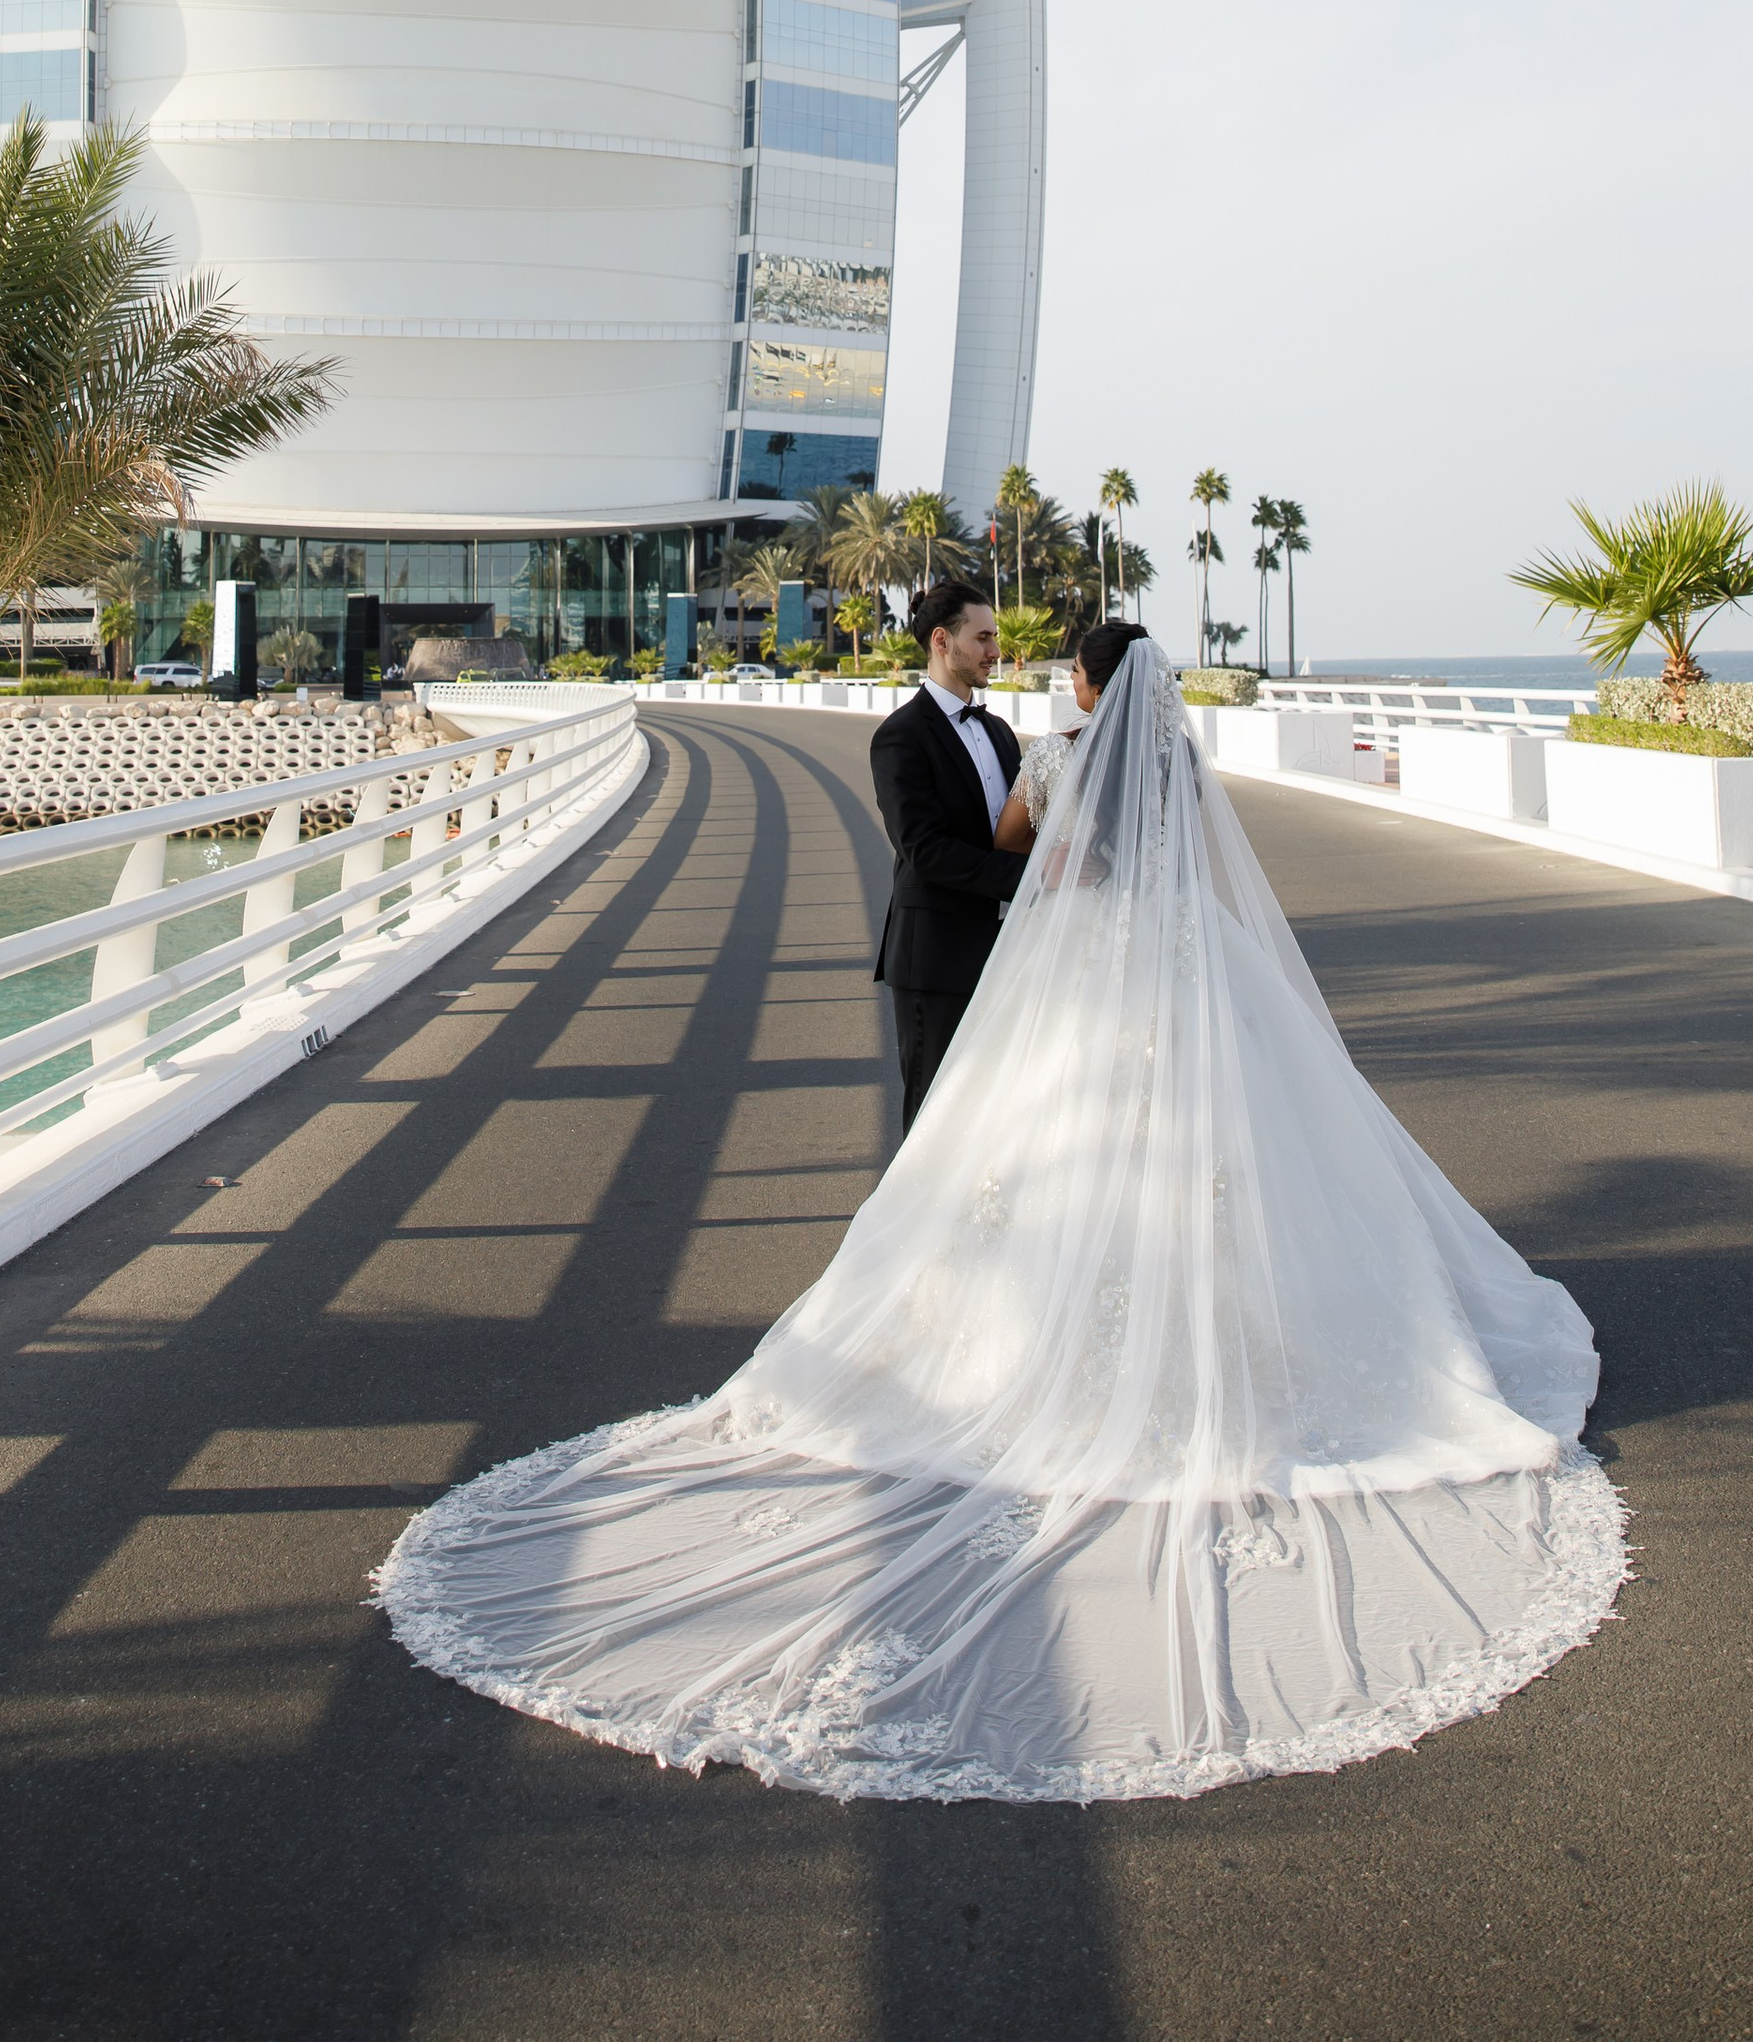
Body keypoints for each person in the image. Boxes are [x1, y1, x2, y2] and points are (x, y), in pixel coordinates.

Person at [376, 633, 1626, 1803]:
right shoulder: (1180, 766)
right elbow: (1187, 870)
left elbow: (1026, 851)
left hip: (1081, 971)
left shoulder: (1055, 758)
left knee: (1035, 1156)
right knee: (1226, 1160)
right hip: (1186, 968)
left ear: (1084, 689)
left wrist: (1044, 822)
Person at [866, 580, 1027, 1131]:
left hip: (1005, 953)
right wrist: (1031, 878)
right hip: (934, 958)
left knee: (992, 1113)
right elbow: (924, 850)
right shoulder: (900, 737)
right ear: (942, 640)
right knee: (933, 1116)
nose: (994, 650)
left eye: (995, 637)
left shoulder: (1001, 733)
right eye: (982, 637)